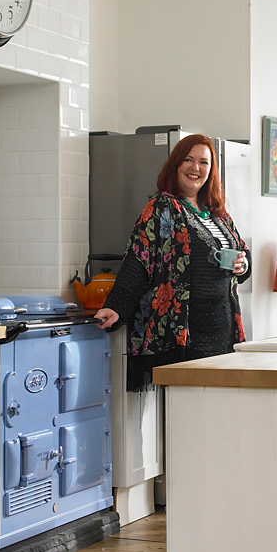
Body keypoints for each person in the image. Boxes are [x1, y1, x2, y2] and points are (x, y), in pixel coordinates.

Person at [95, 134, 251, 390]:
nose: (195, 168)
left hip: (224, 332)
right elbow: (138, 260)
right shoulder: (161, 207)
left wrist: (243, 265)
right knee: (188, 413)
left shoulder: (218, 214)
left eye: (203, 162)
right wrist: (116, 306)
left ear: (211, 170)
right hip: (185, 333)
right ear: (176, 165)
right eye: (188, 160)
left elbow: (242, 257)